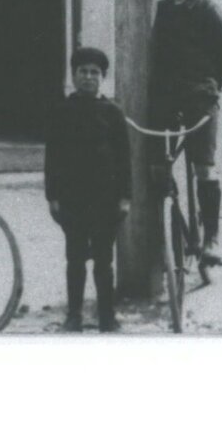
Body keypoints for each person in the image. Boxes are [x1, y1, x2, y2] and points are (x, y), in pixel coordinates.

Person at [147, 0, 222, 263]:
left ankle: (211, 239)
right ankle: (169, 232)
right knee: (157, 164)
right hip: (166, 99)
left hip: (200, 98)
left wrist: (208, 91)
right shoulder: (158, 10)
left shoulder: (208, 10)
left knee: (204, 167)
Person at [44, 45, 130, 333]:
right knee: (75, 259)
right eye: (83, 72)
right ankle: (74, 315)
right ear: (74, 75)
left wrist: (125, 197)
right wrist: (52, 196)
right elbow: (52, 157)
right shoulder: (62, 111)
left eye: (95, 73)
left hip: (105, 200)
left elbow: (124, 159)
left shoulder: (113, 113)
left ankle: (107, 315)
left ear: (102, 77)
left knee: (104, 261)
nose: (88, 78)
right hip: (73, 200)